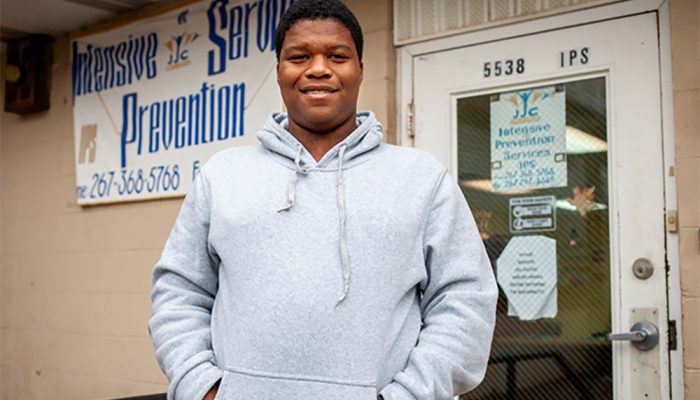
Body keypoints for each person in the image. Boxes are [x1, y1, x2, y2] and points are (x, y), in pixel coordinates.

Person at [149, 1, 498, 399]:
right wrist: (201, 387)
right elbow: (179, 293)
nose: (318, 68)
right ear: (279, 71)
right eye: (299, 57)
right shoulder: (222, 175)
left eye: (337, 56)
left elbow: (465, 303)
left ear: (360, 70)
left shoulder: (421, 178)